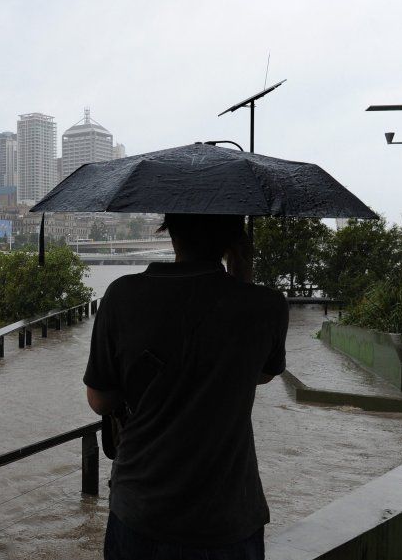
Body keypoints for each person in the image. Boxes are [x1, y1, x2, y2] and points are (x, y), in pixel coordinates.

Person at [84, 214, 288, 560]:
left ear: (171, 231)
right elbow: (260, 374)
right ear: (235, 240)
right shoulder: (266, 306)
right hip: (227, 519)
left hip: (140, 509)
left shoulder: (122, 295)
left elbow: (100, 400)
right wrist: (242, 273)